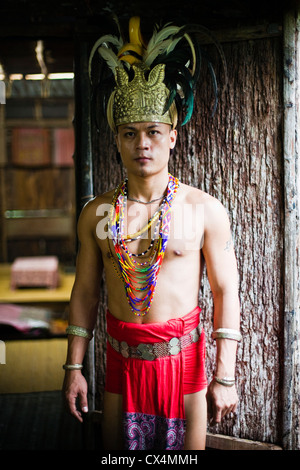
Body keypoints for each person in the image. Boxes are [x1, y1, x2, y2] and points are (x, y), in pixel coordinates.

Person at [63, 17, 241, 451]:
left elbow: (225, 292)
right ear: (117, 140)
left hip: (184, 363)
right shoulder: (95, 214)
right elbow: (86, 293)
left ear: (172, 137)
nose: (142, 143)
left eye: (153, 133)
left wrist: (225, 377)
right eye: (130, 133)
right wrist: (73, 368)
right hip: (121, 360)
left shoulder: (204, 210)